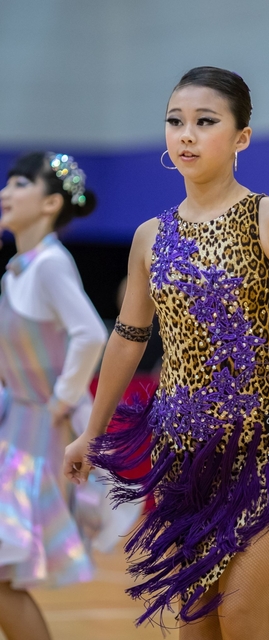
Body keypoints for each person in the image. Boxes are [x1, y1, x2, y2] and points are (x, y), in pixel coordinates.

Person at [64, 67, 269, 640]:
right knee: (198, 621)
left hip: (262, 439)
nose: (186, 134)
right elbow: (128, 337)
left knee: (242, 616)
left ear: (241, 137)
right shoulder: (150, 235)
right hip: (180, 445)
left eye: (205, 121)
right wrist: (92, 431)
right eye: (175, 121)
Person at [0, 151, 112, 640]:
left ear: (49, 203)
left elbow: (90, 333)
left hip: (40, 436)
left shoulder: (49, 264)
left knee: (2, 576)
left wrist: (61, 401)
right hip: (17, 428)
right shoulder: (17, 271)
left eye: (19, 184)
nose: (5, 192)